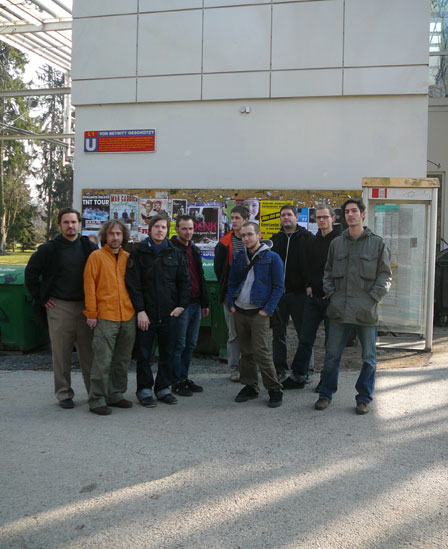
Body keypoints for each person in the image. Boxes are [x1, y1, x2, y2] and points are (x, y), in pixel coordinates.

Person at [315, 198, 392, 414]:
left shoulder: (377, 243)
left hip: (366, 311)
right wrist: (332, 296)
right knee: (331, 355)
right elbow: (328, 273)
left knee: (369, 358)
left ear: (363, 214)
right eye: (347, 212)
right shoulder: (337, 243)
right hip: (339, 310)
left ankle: (364, 398)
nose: (350, 215)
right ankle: (325, 394)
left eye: (354, 211)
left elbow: (385, 276)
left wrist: (370, 300)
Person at [25, 208, 96, 409]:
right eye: (66, 222)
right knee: (61, 353)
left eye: (73, 222)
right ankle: (64, 393)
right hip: (59, 307)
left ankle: (95, 393)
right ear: (60, 225)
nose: (70, 226)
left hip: (85, 307)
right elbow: (31, 273)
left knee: (89, 354)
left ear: (79, 223)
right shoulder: (49, 249)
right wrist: (41, 298)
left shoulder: (88, 247)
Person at [126, 214, 190, 407]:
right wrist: (140, 310)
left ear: (167, 230)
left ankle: (163, 388)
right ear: (150, 229)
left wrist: (181, 306)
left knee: (168, 353)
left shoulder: (175, 253)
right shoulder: (138, 253)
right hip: (147, 314)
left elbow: (184, 282)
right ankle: (144, 389)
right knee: (144, 354)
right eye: (157, 227)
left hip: (170, 313)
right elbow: (133, 284)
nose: (160, 230)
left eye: (163, 227)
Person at [282, 204, 341, 392]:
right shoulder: (313, 241)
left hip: (331, 299)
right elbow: (308, 266)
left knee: (331, 343)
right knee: (305, 339)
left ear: (333, 218)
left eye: (325, 217)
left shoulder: (339, 241)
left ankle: (326, 380)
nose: (322, 220)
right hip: (313, 298)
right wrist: (308, 284)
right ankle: (299, 375)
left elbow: (343, 270)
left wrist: (332, 290)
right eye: (319, 217)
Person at [228, 222, 284, 408]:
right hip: (240, 311)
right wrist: (231, 304)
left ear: (259, 235)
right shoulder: (238, 257)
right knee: (246, 352)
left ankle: (274, 388)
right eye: (243, 235)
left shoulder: (272, 258)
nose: (246, 238)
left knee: (261, 352)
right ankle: (250, 386)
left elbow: (278, 287)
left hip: (259, 312)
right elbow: (232, 282)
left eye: (250, 234)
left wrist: (266, 310)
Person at [83, 220, 136, 415]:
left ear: (123, 237)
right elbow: (89, 287)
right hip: (105, 316)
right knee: (102, 361)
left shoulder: (128, 258)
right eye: (112, 234)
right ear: (105, 235)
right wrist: (91, 314)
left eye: (119, 234)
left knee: (122, 360)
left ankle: (116, 394)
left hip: (127, 315)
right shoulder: (95, 257)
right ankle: (97, 399)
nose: (115, 237)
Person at [271, 205, 313, 381]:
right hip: (279, 295)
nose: (286, 218)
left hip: (299, 294)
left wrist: (309, 284)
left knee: (304, 334)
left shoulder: (307, 238)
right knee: (278, 334)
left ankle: (306, 370)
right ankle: (280, 370)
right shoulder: (275, 240)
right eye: (283, 215)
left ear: (296, 217)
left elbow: (314, 264)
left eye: (289, 215)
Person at [170, 215, 210, 396]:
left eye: (191, 229)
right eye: (184, 228)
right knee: (179, 344)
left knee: (191, 344)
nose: (188, 232)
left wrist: (205, 301)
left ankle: (184, 377)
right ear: (177, 229)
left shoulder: (194, 249)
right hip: (181, 305)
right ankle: (176, 381)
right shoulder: (171, 249)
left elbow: (200, 275)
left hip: (196, 303)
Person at [214, 205, 250, 382]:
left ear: (245, 219)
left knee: (251, 334)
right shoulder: (224, 243)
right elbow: (219, 270)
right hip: (231, 296)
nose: (234, 221)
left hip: (251, 296)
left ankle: (249, 367)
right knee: (234, 334)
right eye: (232, 218)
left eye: (237, 217)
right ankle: (234, 368)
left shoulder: (252, 239)